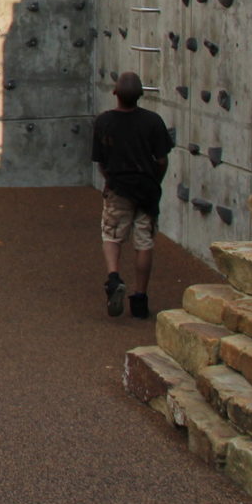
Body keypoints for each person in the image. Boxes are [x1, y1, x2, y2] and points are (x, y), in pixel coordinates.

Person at [91, 70, 174, 318]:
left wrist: (110, 181)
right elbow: (161, 160)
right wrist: (154, 182)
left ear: (115, 93)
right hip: (147, 190)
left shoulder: (104, 121)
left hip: (118, 187)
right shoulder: (153, 121)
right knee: (144, 243)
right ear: (141, 95)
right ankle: (140, 298)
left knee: (112, 235)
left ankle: (114, 277)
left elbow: (101, 162)